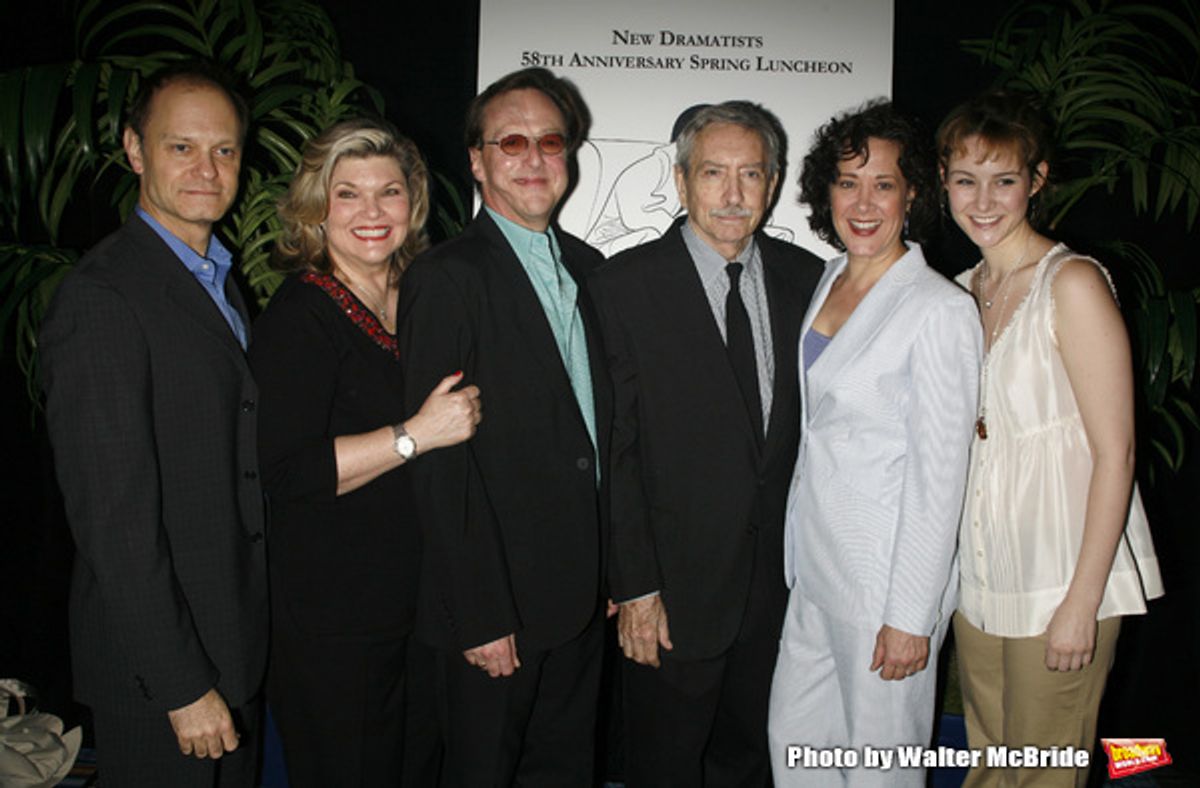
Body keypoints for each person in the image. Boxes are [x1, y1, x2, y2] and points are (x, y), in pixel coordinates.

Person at [39, 61, 267, 787]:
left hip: (230, 645)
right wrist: (180, 684)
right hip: (164, 676)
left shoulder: (219, 279)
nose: (207, 169)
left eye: (224, 149)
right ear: (135, 151)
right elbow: (114, 520)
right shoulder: (103, 298)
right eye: (181, 147)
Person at [588, 100, 821, 787]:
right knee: (664, 768)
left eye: (751, 174)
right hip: (672, 598)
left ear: (772, 183)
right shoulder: (622, 287)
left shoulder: (808, 280)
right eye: (714, 172)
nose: (733, 193)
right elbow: (615, 451)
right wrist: (635, 587)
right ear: (682, 179)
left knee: (751, 766)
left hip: (778, 594)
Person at [938, 91, 1164, 788]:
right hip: (984, 583)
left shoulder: (1072, 283)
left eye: (1003, 180)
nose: (983, 201)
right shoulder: (959, 290)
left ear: (1036, 181)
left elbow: (1116, 454)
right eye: (965, 180)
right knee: (989, 770)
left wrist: (1081, 603)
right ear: (943, 181)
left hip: (1060, 583)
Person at [246, 119, 481, 787]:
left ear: (414, 202)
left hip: (422, 606)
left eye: (389, 192)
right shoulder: (300, 315)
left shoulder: (426, 294)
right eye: (348, 194)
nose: (372, 212)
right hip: (336, 620)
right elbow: (285, 471)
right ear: (317, 209)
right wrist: (415, 434)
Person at [396, 67, 610, 786]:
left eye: (551, 141)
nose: (534, 158)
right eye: (511, 142)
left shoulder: (590, 269)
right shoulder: (445, 277)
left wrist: (611, 568)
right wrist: (480, 614)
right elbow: (440, 462)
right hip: (497, 611)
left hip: (580, 601)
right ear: (478, 162)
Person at [767, 100, 981, 787]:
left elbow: (940, 476)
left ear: (912, 194)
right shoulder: (830, 276)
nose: (863, 203)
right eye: (847, 182)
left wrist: (911, 615)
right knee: (795, 748)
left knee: (879, 769)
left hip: (885, 584)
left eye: (883, 184)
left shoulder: (940, 309)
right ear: (825, 191)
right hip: (814, 567)